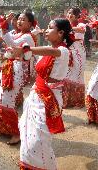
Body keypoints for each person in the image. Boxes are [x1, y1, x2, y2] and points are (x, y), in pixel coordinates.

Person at [19, 18, 74, 170]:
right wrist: (21, 54)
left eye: (50, 28)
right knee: (28, 133)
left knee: (40, 138)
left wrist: (27, 49)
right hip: (37, 95)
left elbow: (51, 51)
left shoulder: (62, 51)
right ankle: (30, 164)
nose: (46, 31)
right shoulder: (46, 51)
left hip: (49, 98)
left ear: (61, 33)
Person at [0, 11, 37, 145]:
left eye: (23, 20)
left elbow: (11, 43)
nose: (19, 21)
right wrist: (5, 56)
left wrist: (4, 26)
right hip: (9, 67)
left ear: (30, 23)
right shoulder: (18, 34)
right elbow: (10, 49)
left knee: (8, 100)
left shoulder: (28, 37)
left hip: (18, 71)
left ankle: (16, 133)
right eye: (19, 19)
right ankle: (4, 127)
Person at [62, 7, 86, 108]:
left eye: (71, 13)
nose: (69, 15)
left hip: (78, 52)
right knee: (67, 74)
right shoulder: (66, 25)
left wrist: (68, 29)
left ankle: (78, 102)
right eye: (68, 13)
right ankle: (67, 101)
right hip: (68, 52)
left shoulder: (81, 24)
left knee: (77, 74)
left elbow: (82, 30)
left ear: (77, 16)